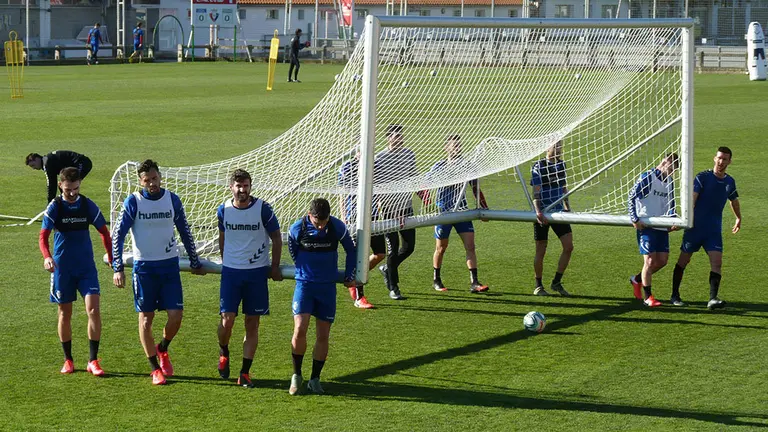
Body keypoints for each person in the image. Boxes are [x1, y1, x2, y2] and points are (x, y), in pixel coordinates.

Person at [112, 159, 206, 385]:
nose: (152, 184)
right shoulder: (133, 202)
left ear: (160, 177)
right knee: (146, 319)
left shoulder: (172, 199)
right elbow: (118, 235)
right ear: (140, 181)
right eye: (147, 180)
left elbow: (184, 230)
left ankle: (162, 348)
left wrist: (194, 261)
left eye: (154, 179)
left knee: (176, 316)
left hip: (169, 266)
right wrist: (118, 268)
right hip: (144, 269)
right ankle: (155, 368)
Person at [38, 168, 113, 376]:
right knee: (65, 313)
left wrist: (111, 257)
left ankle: (93, 360)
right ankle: (68, 359)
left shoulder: (87, 205)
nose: (73, 193)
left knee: (93, 310)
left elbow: (104, 233)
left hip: (86, 268)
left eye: (76, 188)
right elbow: (43, 236)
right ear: (61, 185)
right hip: (63, 270)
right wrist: (47, 257)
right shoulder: (55, 207)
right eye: (69, 189)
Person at [216, 169, 283, 388]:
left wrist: (274, 266)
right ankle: (224, 351)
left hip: (256, 274)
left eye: (245, 186)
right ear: (231, 187)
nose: (242, 190)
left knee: (252, 323)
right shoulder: (223, 210)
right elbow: (223, 238)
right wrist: (227, 260)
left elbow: (276, 237)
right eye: (238, 186)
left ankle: (245, 372)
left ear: (250, 186)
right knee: (227, 320)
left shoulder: (263, 209)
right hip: (231, 273)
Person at [287, 198, 356, 395]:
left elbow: (350, 250)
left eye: (324, 222)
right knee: (300, 328)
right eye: (317, 222)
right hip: (305, 285)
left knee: (323, 335)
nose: (320, 226)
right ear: (310, 216)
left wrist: (349, 274)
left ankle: (315, 379)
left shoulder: (337, 227)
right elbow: (293, 249)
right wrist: (303, 268)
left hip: (327, 288)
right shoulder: (297, 228)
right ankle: (296, 375)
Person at [671, 147, 741, 309]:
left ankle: (712, 298)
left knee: (717, 263)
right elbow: (692, 200)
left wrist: (738, 218)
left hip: (713, 231)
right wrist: (685, 220)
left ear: (729, 162)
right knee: (683, 261)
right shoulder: (702, 177)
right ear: (714, 158)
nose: (721, 161)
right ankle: (675, 295)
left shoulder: (730, 181)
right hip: (695, 228)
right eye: (719, 158)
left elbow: (734, 200)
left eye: (725, 159)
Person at [427, 134, 490, 293]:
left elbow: (475, 187)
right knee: (441, 247)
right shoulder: (438, 166)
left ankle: (474, 282)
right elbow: (425, 184)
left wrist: (484, 207)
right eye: (454, 145)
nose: (457, 148)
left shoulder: (467, 166)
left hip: (462, 211)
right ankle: (436, 279)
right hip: (444, 213)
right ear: (446, 147)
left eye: (459, 145)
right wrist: (428, 204)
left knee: (470, 246)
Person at [628, 153, 679, 307]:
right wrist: (634, 219)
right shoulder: (648, 177)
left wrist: (673, 220)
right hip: (647, 226)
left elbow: (671, 204)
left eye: (674, 170)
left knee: (662, 261)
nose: (672, 172)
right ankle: (648, 297)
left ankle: (636, 279)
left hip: (662, 226)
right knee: (649, 261)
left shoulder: (669, 181)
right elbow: (631, 197)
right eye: (671, 168)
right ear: (664, 162)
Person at [375, 124, 419, 300]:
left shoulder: (409, 154)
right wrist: (388, 208)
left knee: (409, 247)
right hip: (388, 209)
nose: (400, 139)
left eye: (401, 136)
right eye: (396, 136)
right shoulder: (380, 158)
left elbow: (412, 179)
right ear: (388, 138)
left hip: (406, 207)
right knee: (392, 249)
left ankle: (387, 268)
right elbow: (377, 186)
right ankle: (394, 287)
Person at [337, 149, 382, 309]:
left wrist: (381, 210)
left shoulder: (374, 166)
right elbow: (342, 193)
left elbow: (377, 191)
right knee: (359, 255)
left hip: (373, 216)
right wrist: (344, 217)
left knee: (380, 253)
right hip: (354, 217)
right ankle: (359, 296)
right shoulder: (347, 167)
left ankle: (353, 279)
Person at [530, 140, 573, 297]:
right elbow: (536, 191)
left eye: (560, 145)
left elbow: (563, 187)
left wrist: (567, 206)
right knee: (541, 249)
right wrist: (538, 211)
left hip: (558, 212)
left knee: (568, 246)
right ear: (547, 147)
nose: (559, 148)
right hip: (543, 212)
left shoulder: (562, 165)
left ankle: (556, 282)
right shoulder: (538, 166)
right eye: (556, 145)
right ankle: (538, 285)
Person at [26, 150, 93, 204]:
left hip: (82, 163)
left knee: (69, 186)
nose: (34, 168)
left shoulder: (47, 163)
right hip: (81, 163)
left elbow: (51, 184)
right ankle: (67, 204)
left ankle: (74, 206)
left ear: (37, 159)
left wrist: (49, 203)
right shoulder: (47, 160)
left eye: (33, 165)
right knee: (63, 185)